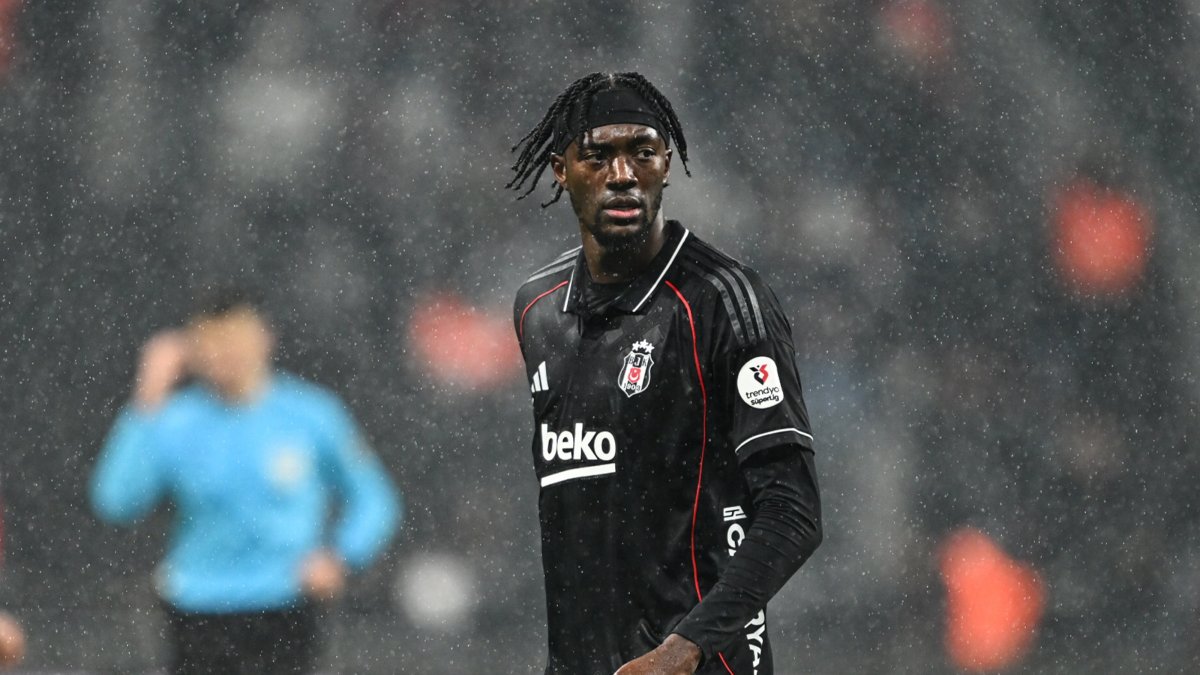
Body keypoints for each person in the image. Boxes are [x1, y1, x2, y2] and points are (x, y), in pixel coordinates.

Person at [509, 72, 823, 675]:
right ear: (560, 169)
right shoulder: (536, 309)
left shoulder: (725, 301)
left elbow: (793, 510)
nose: (622, 174)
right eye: (598, 155)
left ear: (667, 163)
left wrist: (686, 648)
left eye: (642, 152)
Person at [90, 287, 401, 675]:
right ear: (195, 350)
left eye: (235, 338)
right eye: (212, 341)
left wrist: (341, 556)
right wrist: (147, 398)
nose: (225, 353)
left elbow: (374, 498)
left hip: (284, 603)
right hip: (199, 607)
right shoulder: (174, 421)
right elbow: (116, 501)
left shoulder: (310, 415)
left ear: (265, 337)